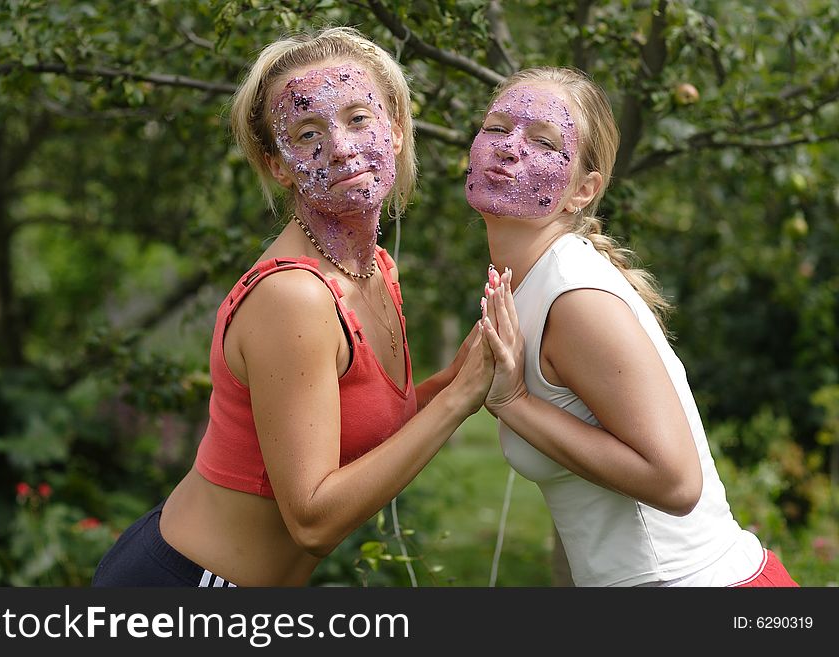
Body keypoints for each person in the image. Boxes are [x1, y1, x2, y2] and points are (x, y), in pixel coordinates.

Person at [92, 26, 494, 587]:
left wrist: (458, 378)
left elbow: (372, 426)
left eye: (358, 117)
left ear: (396, 129)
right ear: (278, 164)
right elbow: (313, 520)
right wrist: (459, 401)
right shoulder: (294, 299)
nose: (342, 146)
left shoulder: (374, 268)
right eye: (308, 133)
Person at [472, 66, 798, 587]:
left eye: (543, 140)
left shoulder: (576, 297)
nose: (510, 148)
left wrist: (515, 405)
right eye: (496, 128)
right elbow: (443, 395)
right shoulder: (521, 284)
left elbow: (676, 483)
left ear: (584, 190)